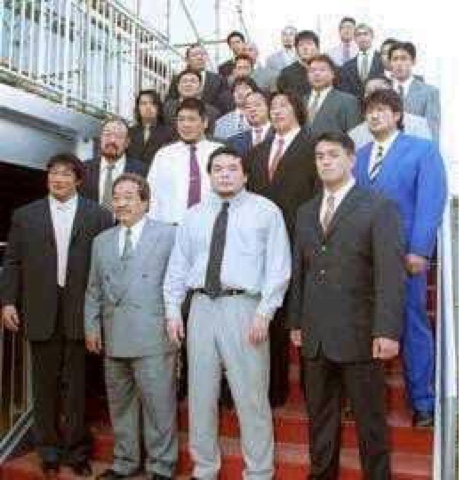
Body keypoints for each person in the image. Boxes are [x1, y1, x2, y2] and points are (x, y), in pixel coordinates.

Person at [164, 146, 291, 480]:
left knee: (251, 396)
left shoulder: (266, 211)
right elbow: (178, 265)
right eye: (218, 169)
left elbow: (279, 266)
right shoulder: (194, 214)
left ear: (245, 175)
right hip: (201, 307)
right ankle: (204, 469)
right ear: (210, 175)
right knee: (200, 395)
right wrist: (172, 310)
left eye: (232, 168)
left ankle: (259, 471)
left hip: (244, 308)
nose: (225, 174)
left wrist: (265, 312)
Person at [289, 131, 405, 479]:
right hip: (316, 334)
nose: (325, 161)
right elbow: (300, 271)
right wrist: (296, 321)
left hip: (361, 333)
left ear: (352, 160)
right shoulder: (306, 211)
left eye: (333, 155)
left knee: (370, 422)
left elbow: (390, 273)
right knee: (320, 419)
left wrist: (387, 330)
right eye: (319, 156)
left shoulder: (378, 206)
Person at [0, 153, 113, 479]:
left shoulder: (98, 215)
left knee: (77, 386)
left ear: (78, 179)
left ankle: (76, 451)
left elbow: (106, 266)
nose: (58, 179)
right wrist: (8, 302)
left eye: (65, 174)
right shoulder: (25, 215)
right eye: (53, 173)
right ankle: (48, 451)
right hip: (40, 309)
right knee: (44, 385)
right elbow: (13, 262)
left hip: (82, 310)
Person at [354, 89, 447, 427]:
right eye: (369, 111)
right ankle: (364, 400)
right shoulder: (359, 156)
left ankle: (423, 402)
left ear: (397, 115)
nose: (374, 115)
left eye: (381, 110)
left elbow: (431, 200)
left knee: (411, 323)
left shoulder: (422, 150)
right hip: (363, 258)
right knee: (362, 327)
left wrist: (420, 249)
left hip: (404, 256)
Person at [85, 173, 177, 480]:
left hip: (154, 334)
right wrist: (91, 327)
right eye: (117, 197)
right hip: (113, 334)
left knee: (158, 404)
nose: (121, 203)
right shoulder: (101, 241)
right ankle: (125, 462)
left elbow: (178, 283)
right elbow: (93, 289)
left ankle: (161, 465)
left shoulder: (168, 235)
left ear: (145, 202)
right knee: (120, 404)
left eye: (129, 197)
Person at [247, 91, 317, 406]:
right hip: (262, 247)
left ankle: (312, 390)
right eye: (272, 106)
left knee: (305, 316)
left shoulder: (313, 146)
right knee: (270, 316)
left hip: (302, 243)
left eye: (283, 106)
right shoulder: (256, 152)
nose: (276, 111)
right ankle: (273, 388)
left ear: (298, 110)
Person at [147, 97, 223, 225]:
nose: (185, 124)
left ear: (205, 123)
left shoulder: (220, 153)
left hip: (210, 227)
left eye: (192, 119)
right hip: (170, 228)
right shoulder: (163, 155)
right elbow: (152, 195)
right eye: (181, 119)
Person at [348, 76, 432, 148]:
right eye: (369, 91)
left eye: (379, 90)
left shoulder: (418, 124)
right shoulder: (356, 134)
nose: (374, 95)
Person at [80, 118, 147, 207]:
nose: (112, 140)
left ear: (127, 142)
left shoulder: (141, 171)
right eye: (107, 135)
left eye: (119, 136)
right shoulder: (84, 168)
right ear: (100, 138)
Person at [389, 41, 440, 141]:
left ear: (413, 61)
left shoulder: (429, 92)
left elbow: (432, 131)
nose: (399, 63)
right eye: (395, 59)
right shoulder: (382, 91)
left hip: (416, 147)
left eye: (404, 58)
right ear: (390, 63)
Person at [305, 54, 361, 138]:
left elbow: (355, 135)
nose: (316, 74)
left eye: (322, 70)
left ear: (333, 74)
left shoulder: (348, 101)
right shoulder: (300, 101)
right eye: (312, 70)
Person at [166, 43, 231, 113]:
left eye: (203, 55)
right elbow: (170, 100)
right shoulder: (178, 78)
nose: (200, 58)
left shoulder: (218, 79)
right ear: (187, 60)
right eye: (194, 55)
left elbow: (224, 103)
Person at [127, 90, 174, 167]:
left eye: (153, 103)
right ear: (137, 108)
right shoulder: (129, 132)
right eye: (143, 103)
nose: (148, 107)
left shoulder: (170, 132)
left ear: (159, 108)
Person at [163, 69, 220, 134]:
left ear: (200, 87)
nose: (188, 84)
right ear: (177, 86)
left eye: (193, 81)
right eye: (184, 81)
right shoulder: (166, 108)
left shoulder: (212, 112)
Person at [339, 23, 384, 100]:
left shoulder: (382, 60)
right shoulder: (347, 66)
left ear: (372, 36)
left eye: (365, 34)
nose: (362, 37)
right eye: (358, 35)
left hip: (378, 102)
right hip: (355, 104)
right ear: (355, 39)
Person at [227, 90, 273, 157]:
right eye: (248, 107)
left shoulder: (281, 134)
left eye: (257, 105)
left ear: (268, 107)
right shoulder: (233, 141)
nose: (252, 109)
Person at [277, 30, 319, 98]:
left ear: (317, 48)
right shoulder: (286, 73)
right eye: (301, 45)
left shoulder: (329, 70)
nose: (305, 48)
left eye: (309, 44)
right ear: (296, 50)